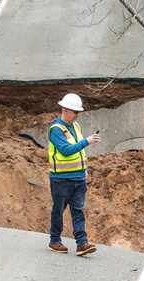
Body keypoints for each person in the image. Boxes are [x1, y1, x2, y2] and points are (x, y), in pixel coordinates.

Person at [48, 93, 100, 256]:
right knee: (59, 209)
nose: (78, 115)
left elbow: (79, 153)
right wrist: (87, 141)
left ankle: (82, 243)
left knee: (78, 210)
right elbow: (66, 151)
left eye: (78, 112)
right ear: (65, 110)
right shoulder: (56, 130)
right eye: (75, 112)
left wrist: (84, 170)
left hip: (78, 177)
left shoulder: (76, 127)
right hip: (61, 179)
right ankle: (55, 240)